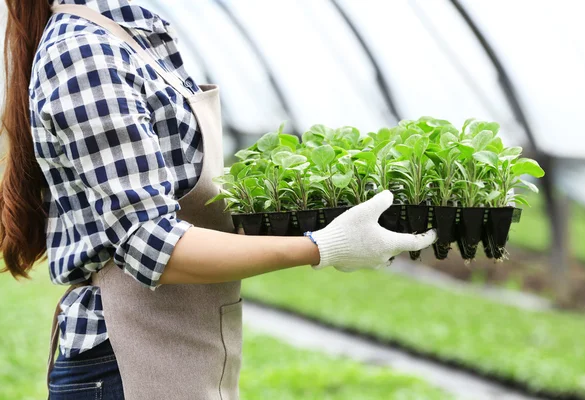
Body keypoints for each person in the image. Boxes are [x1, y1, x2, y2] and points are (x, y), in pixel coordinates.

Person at [0, 0, 437, 399]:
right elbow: (151, 245)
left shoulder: (132, 39)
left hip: (179, 343)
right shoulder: (84, 53)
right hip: (123, 360)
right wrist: (323, 246)